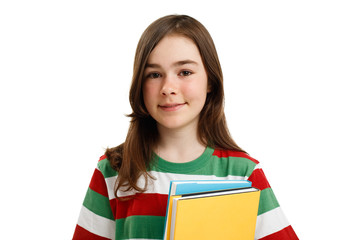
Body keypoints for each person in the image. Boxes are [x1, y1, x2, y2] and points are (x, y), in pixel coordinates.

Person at [73, 14, 298, 240]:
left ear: (210, 80)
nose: (168, 87)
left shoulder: (244, 175)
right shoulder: (113, 171)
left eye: (185, 72)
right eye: (154, 74)